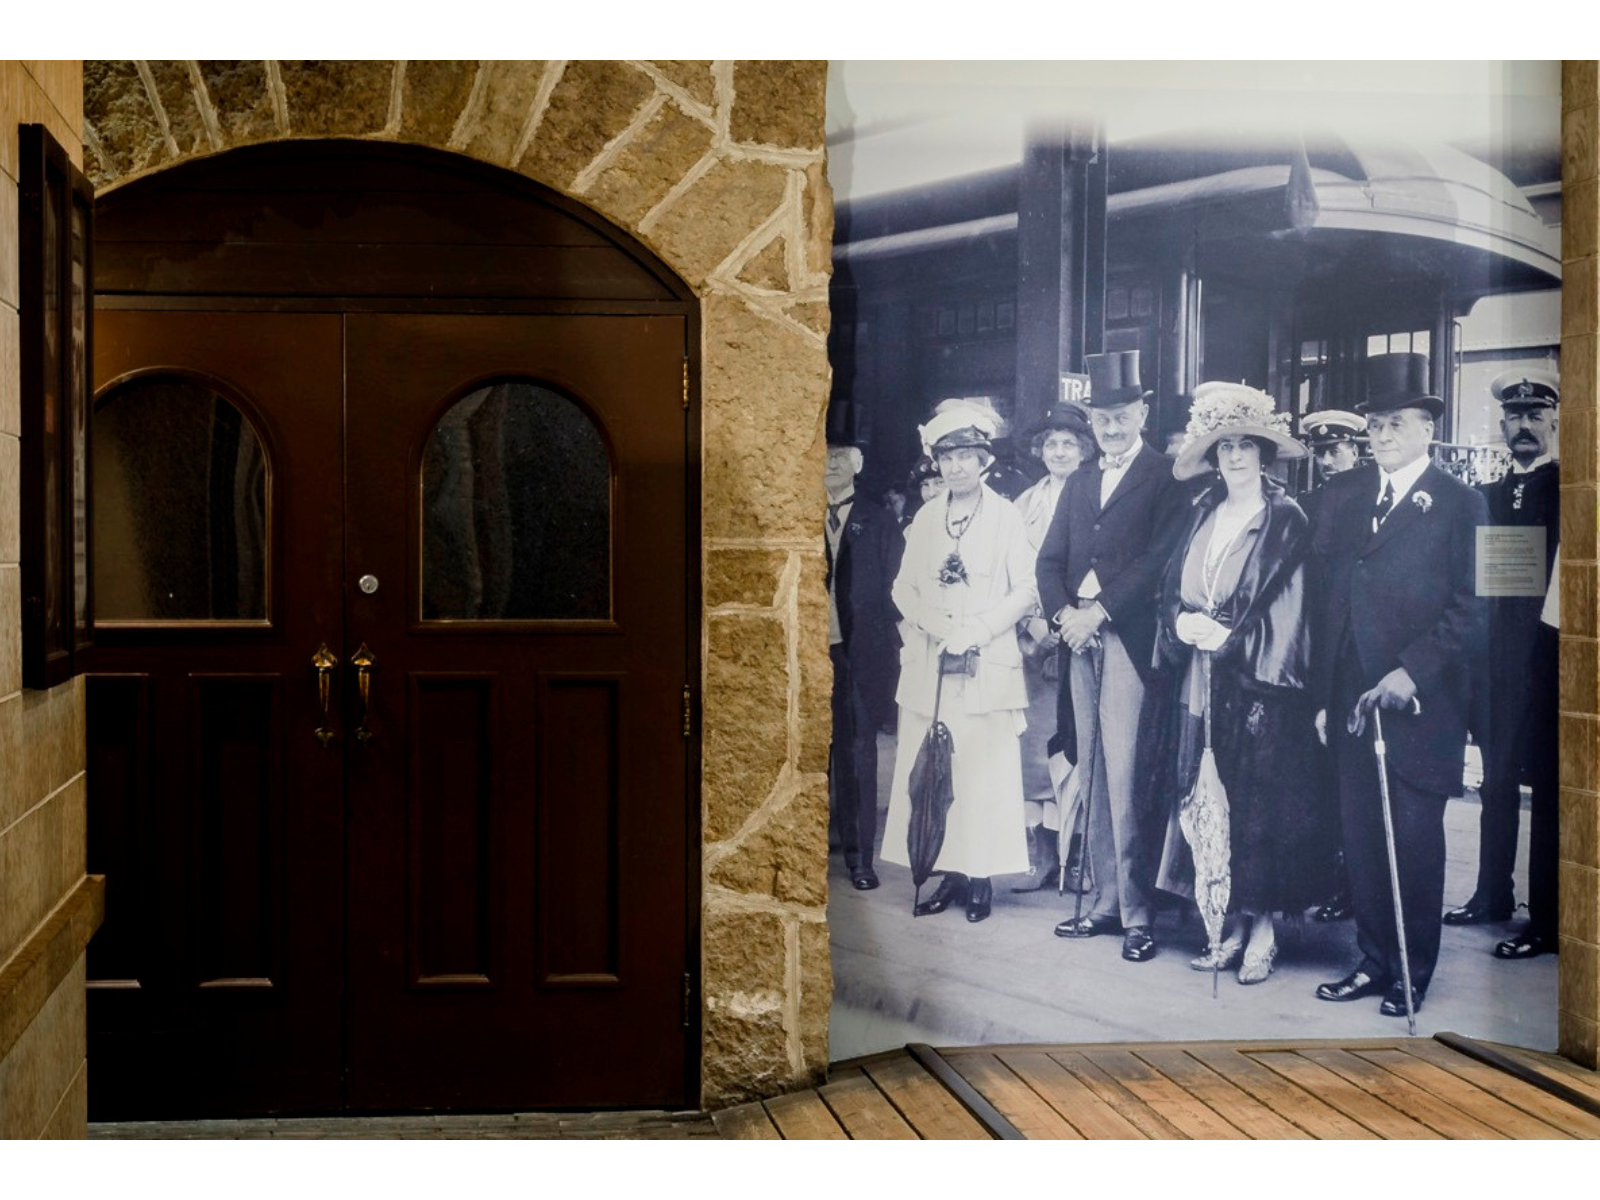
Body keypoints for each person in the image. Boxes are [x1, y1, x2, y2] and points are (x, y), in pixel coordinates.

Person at [1310, 352, 1487, 1017]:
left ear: (1426, 431)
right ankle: (1374, 958)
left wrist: (1412, 668)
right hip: (1352, 703)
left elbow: (1476, 608)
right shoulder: (1352, 497)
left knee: (1412, 841)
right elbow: (1333, 599)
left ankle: (1412, 971)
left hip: (1421, 704)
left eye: (1395, 425)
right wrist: (1327, 698)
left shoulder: (1461, 503)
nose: (1382, 436)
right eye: (1375, 426)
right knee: (1360, 837)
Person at [1149, 383, 1326, 983]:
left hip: (1258, 687)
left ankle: (1262, 930)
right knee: (1206, 798)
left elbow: (1293, 610)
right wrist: (1180, 621)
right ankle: (1222, 919)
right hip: (1199, 682)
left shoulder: (1286, 517)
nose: (1236, 457)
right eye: (1225, 447)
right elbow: (1172, 586)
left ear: (1264, 454)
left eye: (1247, 446)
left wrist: (1232, 642)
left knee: (1257, 805)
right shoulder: (1202, 510)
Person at [1036, 350, 1186, 962]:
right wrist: (1064, 618)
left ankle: (1138, 911)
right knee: (1090, 768)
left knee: (1125, 775)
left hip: (1127, 638)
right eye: (1103, 417)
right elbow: (1049, 561)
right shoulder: (1079, 481)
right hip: (1080, 640)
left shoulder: (1166, 476)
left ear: (1143, 412)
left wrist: (1100, 612)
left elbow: (1159, 560)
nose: (1113, 427)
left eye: (1122, 415)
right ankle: (1102, 902)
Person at [880, 403, 1037, 922]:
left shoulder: (1007, 516)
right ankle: (945, 870)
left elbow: (1026, 590)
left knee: (982, 770)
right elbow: (903, 587)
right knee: (934, 771)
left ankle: (981, 877)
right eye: (947, 457)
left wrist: (976, 630)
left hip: (985, 659)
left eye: (966, 456)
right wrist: (934, 623)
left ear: (984, 459)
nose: (956, 467)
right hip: (932, 660)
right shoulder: (927, 517)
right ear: (936, 463)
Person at [1444, 369, 1560, 958]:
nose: (1523, 427)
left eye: (1534, 416)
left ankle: (1545, 919)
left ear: (1555, 422)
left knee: (1547, 792)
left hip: (1548, 668)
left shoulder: (1569, 490)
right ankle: (1492, 894)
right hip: (1494, 669)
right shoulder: (1487, 496)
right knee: (1494, 784)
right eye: (1514, 417)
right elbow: (1483, 591)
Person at [1010, 402, 1097, 891]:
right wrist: (1032, 624)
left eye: (1068, 443)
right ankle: (1041, 854)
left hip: (1079, 632)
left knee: (1078, 742)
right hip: (1033, 640)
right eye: (1051, 444)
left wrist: (1067, 620)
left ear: (1084, 449)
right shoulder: (1024, 503)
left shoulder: (1091, 495)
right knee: (1034, 749)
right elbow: (1015, 568)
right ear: (1040, 450)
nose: (1059, 451)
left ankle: (1079, 854)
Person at [824, 437, 904, 892]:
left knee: (858, 748)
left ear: (857, 463)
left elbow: (899, 588)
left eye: (840, 456)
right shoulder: (799, 514)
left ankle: (859, 858)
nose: (831, 464)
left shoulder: (878, 519)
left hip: (861, 652)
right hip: (812, 649)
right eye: (823, 454)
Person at [1297, 407, 1366, 925]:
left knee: (1351, 777)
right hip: (1309, 650)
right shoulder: (1306, 505)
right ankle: (1322, 879)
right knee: (1317, 778)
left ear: (1356, 450)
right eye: (1320, 451)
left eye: (1336, 450)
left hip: (1350, 653)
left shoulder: (1370, 501)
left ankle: (1351, 886)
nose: (1328, 460)